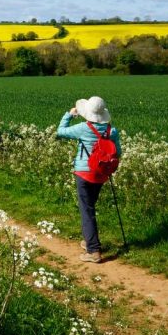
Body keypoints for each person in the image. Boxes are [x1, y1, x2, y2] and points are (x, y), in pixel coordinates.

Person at [56, 96, 122, 263]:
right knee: (90, 207)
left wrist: (69, 115)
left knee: (86, 210)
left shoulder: (83, 128)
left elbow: (61, 131)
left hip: (84, 173)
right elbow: (117, 152)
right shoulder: (111, 131)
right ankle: (88, 241)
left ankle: (93, 250)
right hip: (101, 174)